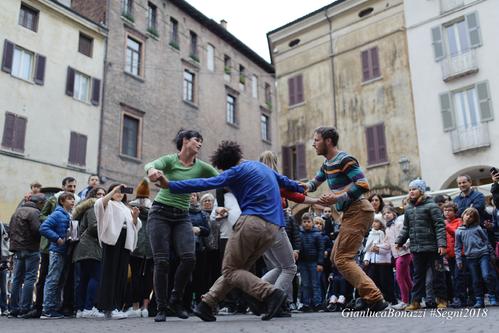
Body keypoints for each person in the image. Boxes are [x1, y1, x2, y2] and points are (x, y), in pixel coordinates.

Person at [156, 140, 305, 321]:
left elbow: (203, 183)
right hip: (273, 227)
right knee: (237, 269)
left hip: (252, 223)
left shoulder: (233, 172)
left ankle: (269, 294)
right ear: (239, 155)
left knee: (229, 270)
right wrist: (301, 187)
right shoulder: (260, 166)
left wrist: (170, 185)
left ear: (224, 166)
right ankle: (206, 304)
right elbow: (285, 181)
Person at [302, 127, 388, 311]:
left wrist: (336, 197)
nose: (313, 144)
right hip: (350, 213)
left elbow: (363, 184)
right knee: (336, 257)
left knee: (342, 259)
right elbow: (313, 183)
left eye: (316, 140)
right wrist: (297, 186)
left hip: (359, 210)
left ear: (328, 141)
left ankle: (374, 297)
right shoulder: (326, 164)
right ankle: (368, 296)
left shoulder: (344, 160)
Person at [145, 129, 219, 322]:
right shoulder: (171, 160)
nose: (200, 144)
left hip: (182, 216)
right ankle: (161, 307)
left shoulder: (201, 167)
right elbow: (151, 165)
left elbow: (220, 178)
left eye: (201, 141)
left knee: (189, 258)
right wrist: (153, 171)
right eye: (197, 140)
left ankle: (175, 299)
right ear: (185, 141)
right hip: (160, 212)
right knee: (161, 261)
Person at [396, 179, 447, 311]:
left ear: (421, 191)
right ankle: (415, 302)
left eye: (414, 189)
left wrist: (442, 244)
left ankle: (441, 300)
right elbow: (406, 228)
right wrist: (400, 241)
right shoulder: (408, 209)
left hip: (433, 247)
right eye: (410, 189)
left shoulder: (432, 206)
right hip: (417, 248)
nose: (411, 192)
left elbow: (440, 226)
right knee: (418, 276)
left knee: (438, 274)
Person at [95, 184, 141, 319]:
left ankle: (116, 306)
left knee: (121, 275)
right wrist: (113, 191)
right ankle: (108, 307)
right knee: (110, 274)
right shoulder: (108, 203)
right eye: (117, 191)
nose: (120, 194)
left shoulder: (125, 207)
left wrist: (134, 216)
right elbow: (99, 205)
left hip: (124, 241)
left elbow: (135, 225)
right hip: (111, 241)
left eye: (122, 192)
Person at [7, 194, 45, 317]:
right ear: (39, 202)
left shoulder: (16, 212)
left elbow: (10, 230)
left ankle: (13, 308)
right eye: (43, 203)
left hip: (18, 249)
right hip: (31, 248)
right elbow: (37, 230)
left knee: (17, 279)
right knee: (30, 278)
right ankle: (25, 308)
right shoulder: (34, 212)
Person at [39, 192, 75, 319]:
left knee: (59, 281)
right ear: (62, 201)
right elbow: (43, 228)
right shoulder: (57, 213)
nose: (72, 201)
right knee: (52, 280)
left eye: (73, 199)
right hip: (57, 251)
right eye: (69, 199)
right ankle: (47, 310)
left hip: (64, 251)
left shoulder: (68, 215)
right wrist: (57, 239)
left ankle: (54, 308)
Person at [72, 187, 106, 319]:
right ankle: (88, 307)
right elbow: (93, 227)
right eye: (98, 194)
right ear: (93, 196)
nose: (101, 196)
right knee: (95, 277)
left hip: (83, 248)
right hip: (90, 248)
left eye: (103, 194)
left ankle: (81, 309)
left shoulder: (89, 209)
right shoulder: (93, 209)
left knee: (84, 279)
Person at [455, 207, 497, 308]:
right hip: (470, 257)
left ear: (475, 219)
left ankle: (492, 295)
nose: (468, 217)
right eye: (467, 214)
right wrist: (459, 259)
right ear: (463, 215)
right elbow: (457, 247)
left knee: (486, 275)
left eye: (471, 216)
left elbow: (486, 241)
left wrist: (491, 254)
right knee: (475, 279)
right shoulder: (459, 231)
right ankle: (479, 300)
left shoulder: (478, 228)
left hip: (483, 254)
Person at [126, 179, 154, 318]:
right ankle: (145, 307)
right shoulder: (154, 207)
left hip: (135, 246)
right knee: (148, 278)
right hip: (150, 247)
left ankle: (135, 306)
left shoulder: (131, 206)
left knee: (135, 277)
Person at [382, 206, 412, 310]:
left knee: (399, 278)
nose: (386, 215)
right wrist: (378, 247)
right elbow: (387, 245)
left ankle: (404, 301)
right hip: (396, 255)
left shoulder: (399, 224)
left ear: (394, 214)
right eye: (384, 214)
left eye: (389, 213)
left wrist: (405, 244)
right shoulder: (387, 229)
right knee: (407, 279)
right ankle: (417, 299)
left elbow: (408, 235)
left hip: (404, 254)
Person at [363, 218, 395, 305]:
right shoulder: (371, 234)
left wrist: (378, 250)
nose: (374, 224)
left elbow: (388, 248)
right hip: (373, 262)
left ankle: (390, 300)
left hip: (384, 262)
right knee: (373, 281)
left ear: (381, 223)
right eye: (373, 222)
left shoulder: (384, 233)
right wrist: (366, 259)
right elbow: (368, 248)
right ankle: (377, 300)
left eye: (376, 222)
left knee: (385, 282)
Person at [298, 213, 324, 312]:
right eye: (304, 222)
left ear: (312, 223)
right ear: (302, 223)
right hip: (303, 262)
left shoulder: (317, 234)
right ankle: (306, 304)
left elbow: (321, 249)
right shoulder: (299, 233)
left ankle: (317, 303)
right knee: (305, 284)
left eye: (309, 222)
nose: (306, 224)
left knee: (315, 283)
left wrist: (320, 263)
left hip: (314, 262)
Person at [442, 202, 466, 308]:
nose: (447, 212)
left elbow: (457, 235)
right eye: (445, 210)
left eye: (450, 210)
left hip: (460, 254)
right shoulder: (443, 223)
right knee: (453, 277)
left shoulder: (459, 222)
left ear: (455, 212)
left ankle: (460, 298)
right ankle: (459, 298)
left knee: (458, 277)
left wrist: (446, 227)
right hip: (449, 255)